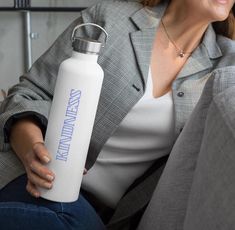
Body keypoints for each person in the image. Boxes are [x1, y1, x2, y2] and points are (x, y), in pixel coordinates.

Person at [0, 0, 235, 229]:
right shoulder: (111, 20)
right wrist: (32, 150)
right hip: (28, 179)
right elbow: (28, 94)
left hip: (98, 213)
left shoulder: (225, 66)